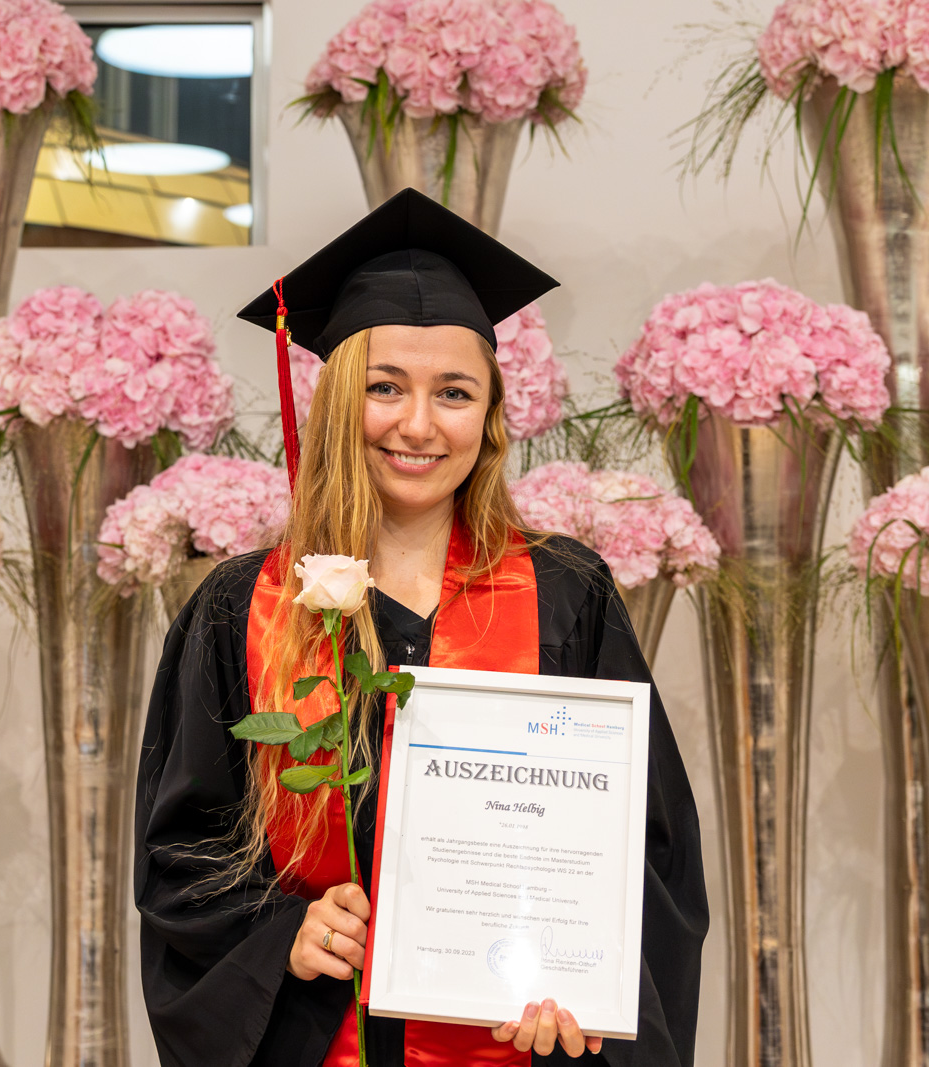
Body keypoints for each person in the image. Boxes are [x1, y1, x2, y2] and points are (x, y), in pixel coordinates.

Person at [134, 189, 708, 1067]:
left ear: (490, 417)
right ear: (337, 403)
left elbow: (647, 858)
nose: (417, 423)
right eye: (385, 387)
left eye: (454, 393)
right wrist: (285, 931)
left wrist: (582, 991)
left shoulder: (567, 595)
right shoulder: (243, 606)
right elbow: (184, 855)